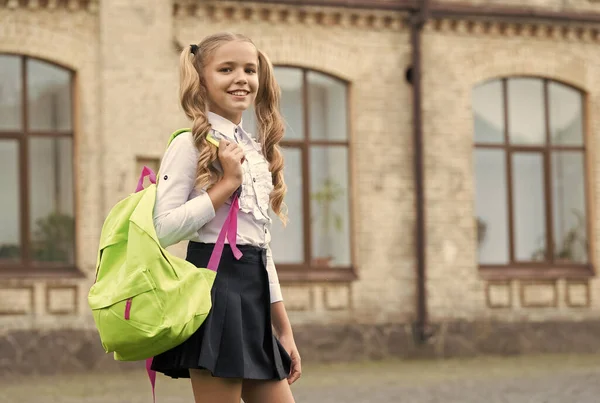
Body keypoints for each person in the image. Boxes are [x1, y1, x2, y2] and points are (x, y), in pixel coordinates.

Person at [150, 32, 301, 403]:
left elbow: (260, 247)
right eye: (226, 69)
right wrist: (226, 184)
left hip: (254, 294)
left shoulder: (253, 149)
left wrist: (284, 328)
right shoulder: (189, 145)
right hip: (215, 294)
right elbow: (163, 229)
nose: (241, 78)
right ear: (202, 80)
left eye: (250, 69)